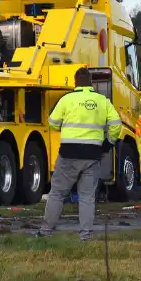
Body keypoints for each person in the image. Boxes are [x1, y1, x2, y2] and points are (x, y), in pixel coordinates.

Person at [35, 68, 122, 241]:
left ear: (75, 82)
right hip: (93, 154)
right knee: (87, 196)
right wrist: (107, 144)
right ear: (91, 82)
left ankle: (46, 232)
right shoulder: (102, 101)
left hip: (69, 153)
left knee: (58, 193)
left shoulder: (67, 100)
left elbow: (52, 123)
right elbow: (116, 125)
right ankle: (85, 235)